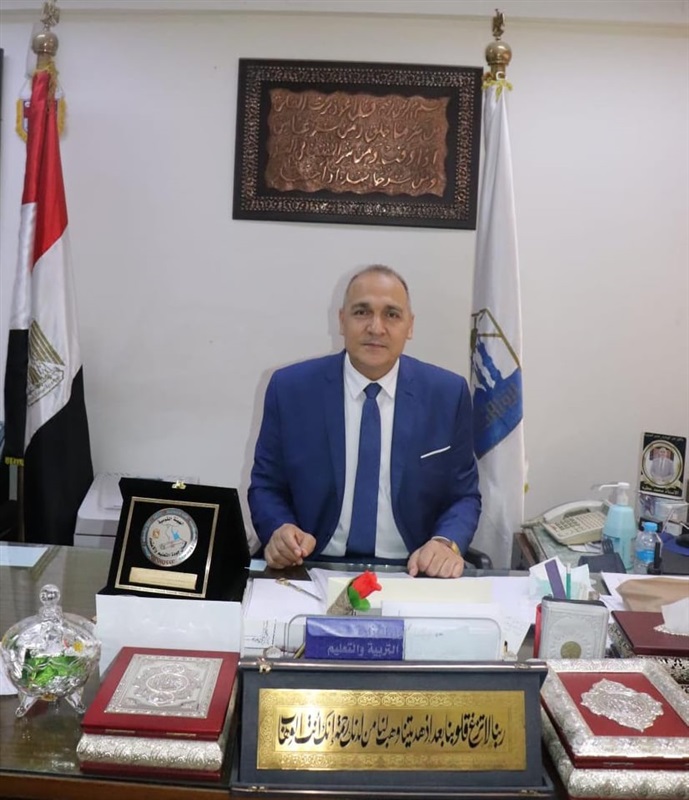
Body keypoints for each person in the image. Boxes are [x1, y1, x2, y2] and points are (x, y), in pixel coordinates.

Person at [248, 265, 481, 578]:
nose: (376, 327)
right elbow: (266, 486)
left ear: (410, 326)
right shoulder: (290, 390)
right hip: (311, 566)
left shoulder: (447, 394)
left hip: (412, 570)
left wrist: (443, 543)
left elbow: (463, 496)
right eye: (362, 312)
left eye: (392, 315)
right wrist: (280, 529)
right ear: (342, 320)